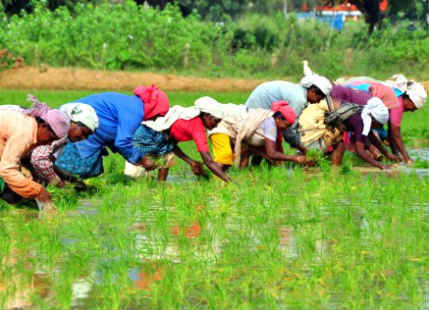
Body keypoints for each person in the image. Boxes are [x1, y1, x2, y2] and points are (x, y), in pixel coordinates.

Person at [54, 86, 170, 179]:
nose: (155, 119)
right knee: (80, 169)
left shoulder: (132, 104)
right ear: (154, 108)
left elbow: (117, 138)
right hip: (79, 128)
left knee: (93, 170)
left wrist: (137, 160)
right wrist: (142, 160)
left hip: (82, 129)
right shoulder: (135, 112)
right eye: (158, 115)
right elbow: (122, 142)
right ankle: (58, 183)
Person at [139, 99, 231, 182]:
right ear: (207, 116)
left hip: (148, 135)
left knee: (164, 159)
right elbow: (208, 161)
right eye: (216, 121)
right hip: (143, 136)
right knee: (137, 175)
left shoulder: (189, 118)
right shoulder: (197, 127)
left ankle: (159, 189)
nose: (216, 125)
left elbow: (170, 144)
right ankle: (158, 188)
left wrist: (191, 162)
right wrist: (230, 182)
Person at [200, 97, 305, 169]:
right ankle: (213, 181)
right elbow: (271, 153)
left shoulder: (273, 125)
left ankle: (241, 179)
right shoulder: (270, 124)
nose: (286, 129)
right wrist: (294, 158)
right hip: (222, 122)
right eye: (286, 125)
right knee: (224, 157)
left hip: (235, 127)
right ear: (278, 119)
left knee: (242, 154)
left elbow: (271, 150)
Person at [0, 101, 70, 209]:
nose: (48, 144)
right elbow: (7, 169)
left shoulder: (30, 126)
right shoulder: (25, 133)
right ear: (43, 126)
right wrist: (39, 191)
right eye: (50, 138)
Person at [343, 75, 428, 164]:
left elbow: (391, 133)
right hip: (350, 97)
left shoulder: (396, 96)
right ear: (410, 100)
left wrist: (396, 155)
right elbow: (396, 134)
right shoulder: (397, 103)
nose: (412, 110)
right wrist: (407, 159)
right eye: (414, 107)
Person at [245, 74, 332, 155]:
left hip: (262, 109)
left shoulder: (298, 92)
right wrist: (304, 150)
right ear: (313, 92)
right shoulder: (299, 99)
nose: (318, 101)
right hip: (259, 110)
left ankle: (258, 166)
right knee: (268, 144)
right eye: (319, 98)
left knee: (269, 143)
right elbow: (289, 129)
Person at [30, 101, 99, 188]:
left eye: (87, 136)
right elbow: (39, 160)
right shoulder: (55, 133)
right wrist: (59, 183)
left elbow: (48, 163)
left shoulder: (63, 139)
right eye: (83, 133)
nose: (83, 138)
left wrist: (70, 179)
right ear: (71, 122)